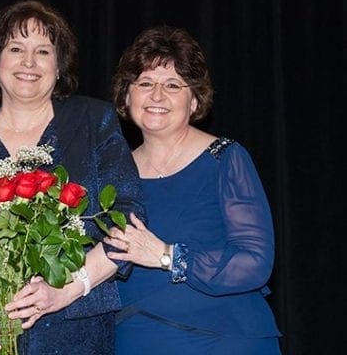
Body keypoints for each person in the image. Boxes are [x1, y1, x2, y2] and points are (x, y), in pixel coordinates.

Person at [0, 0, 145, 354]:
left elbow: (130, 217)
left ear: (59, 66)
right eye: (15, 49)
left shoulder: (93, 121)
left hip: (73, 333)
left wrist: (67, 289)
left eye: (43, 51)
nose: (29, 62)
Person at [105, 25, 282, 354]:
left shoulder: (225, 159)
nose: (157, 95)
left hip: (224, 338)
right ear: (126, 96)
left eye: (172, 85)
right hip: (135, 340)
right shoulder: (110, 175)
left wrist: (167, 256)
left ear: (195, 99)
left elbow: (255, 262)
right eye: (145, 83)